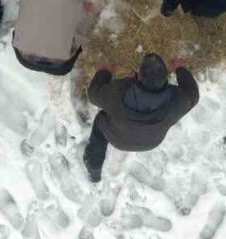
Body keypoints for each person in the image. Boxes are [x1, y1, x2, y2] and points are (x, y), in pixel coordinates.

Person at [82, 53, 199, 182]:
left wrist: (105, 72)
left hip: (118, 139)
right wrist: (181, 69)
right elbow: (193, 95)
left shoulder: (118, 91)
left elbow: (93, 94)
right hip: (151, 142)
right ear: (166, 78)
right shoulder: (176, 100)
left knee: (101, 120)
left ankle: (94, 169)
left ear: (139, 76)